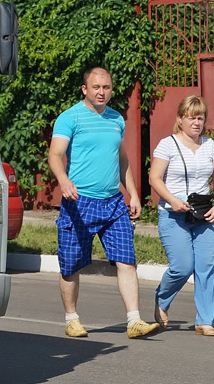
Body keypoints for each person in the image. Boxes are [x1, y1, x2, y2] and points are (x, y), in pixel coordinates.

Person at [48, 66, 158, 339]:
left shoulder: (116, 119)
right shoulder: (69, 118)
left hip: (113, 203)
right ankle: (71, 318)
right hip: (79, 202)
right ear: (85, 89)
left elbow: (121, 159)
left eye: (106, 87)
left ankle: (134, 320)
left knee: (126, 260)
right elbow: (55, 154)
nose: (102, 92)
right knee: (71, 264)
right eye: (96, 87)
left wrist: (132, 192)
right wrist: (63, 181)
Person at [149, 95, 214, 336]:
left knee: (205, 267)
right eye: (191, 118)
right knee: (182, 267)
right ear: (180, 119)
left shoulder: (209, 145)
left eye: (200, 118)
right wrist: (172, 200)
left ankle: (205, 320)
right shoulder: (167, 144)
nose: (196, 122)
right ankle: (162, 299)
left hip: (204, 214)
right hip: (174, 216)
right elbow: (154, 178)